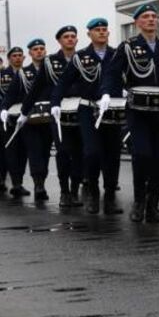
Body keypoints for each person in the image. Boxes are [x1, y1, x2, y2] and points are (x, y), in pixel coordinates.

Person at [101, 3, 159, 223]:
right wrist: (107, 94)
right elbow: (112, 73)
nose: (151, 20)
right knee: (142, 154)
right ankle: (139, 201)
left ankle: (153, 205)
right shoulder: (128, 46)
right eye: (146, 16)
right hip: (138, 111)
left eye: (154, 16)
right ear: (137, 22)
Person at [51, 19, 122, 215]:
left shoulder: (117, 54)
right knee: (91, 152)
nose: (102, 32)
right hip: (88, 110)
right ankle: (92, 191)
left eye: (104, 29)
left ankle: (109, 196)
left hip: (111, 110)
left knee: (113, 153)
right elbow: (63, 82)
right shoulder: (80, 57)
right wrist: (55, 102)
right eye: (97, 30)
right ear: (89, 34)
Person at [41, 26, 85, 208]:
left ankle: (75, 190)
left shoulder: (84, 58)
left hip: (81, 111)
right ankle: (64, 192)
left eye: (73, 36)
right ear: (59, 41)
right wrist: (24, 111)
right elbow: (38, 86)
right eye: (66, 37)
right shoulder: (50, 61)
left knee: (80, 153)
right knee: (63, 152)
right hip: (59, 113)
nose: (70, 39)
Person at [5, 38, 53, 202]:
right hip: (30, 120)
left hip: (49, 119)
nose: (39, 51)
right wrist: (3, 109)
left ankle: (42, 181)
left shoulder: (54, 69)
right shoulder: (23, 73)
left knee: (45, 152)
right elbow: (10, 95)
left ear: (45, 51)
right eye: (35, 49)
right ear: (30, 53)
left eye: (41, 48)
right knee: (34, 151)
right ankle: (38, 185)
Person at [1, 47, 29, 197]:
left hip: (23, 116)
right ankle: (15, 183)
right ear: (9, 58)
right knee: (9, 150)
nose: (17, 58)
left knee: (23, 151)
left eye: (20, 55)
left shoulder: (28, 74)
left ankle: (19, 181)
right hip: (6, 117)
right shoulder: (3, 76)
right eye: (14, 56)